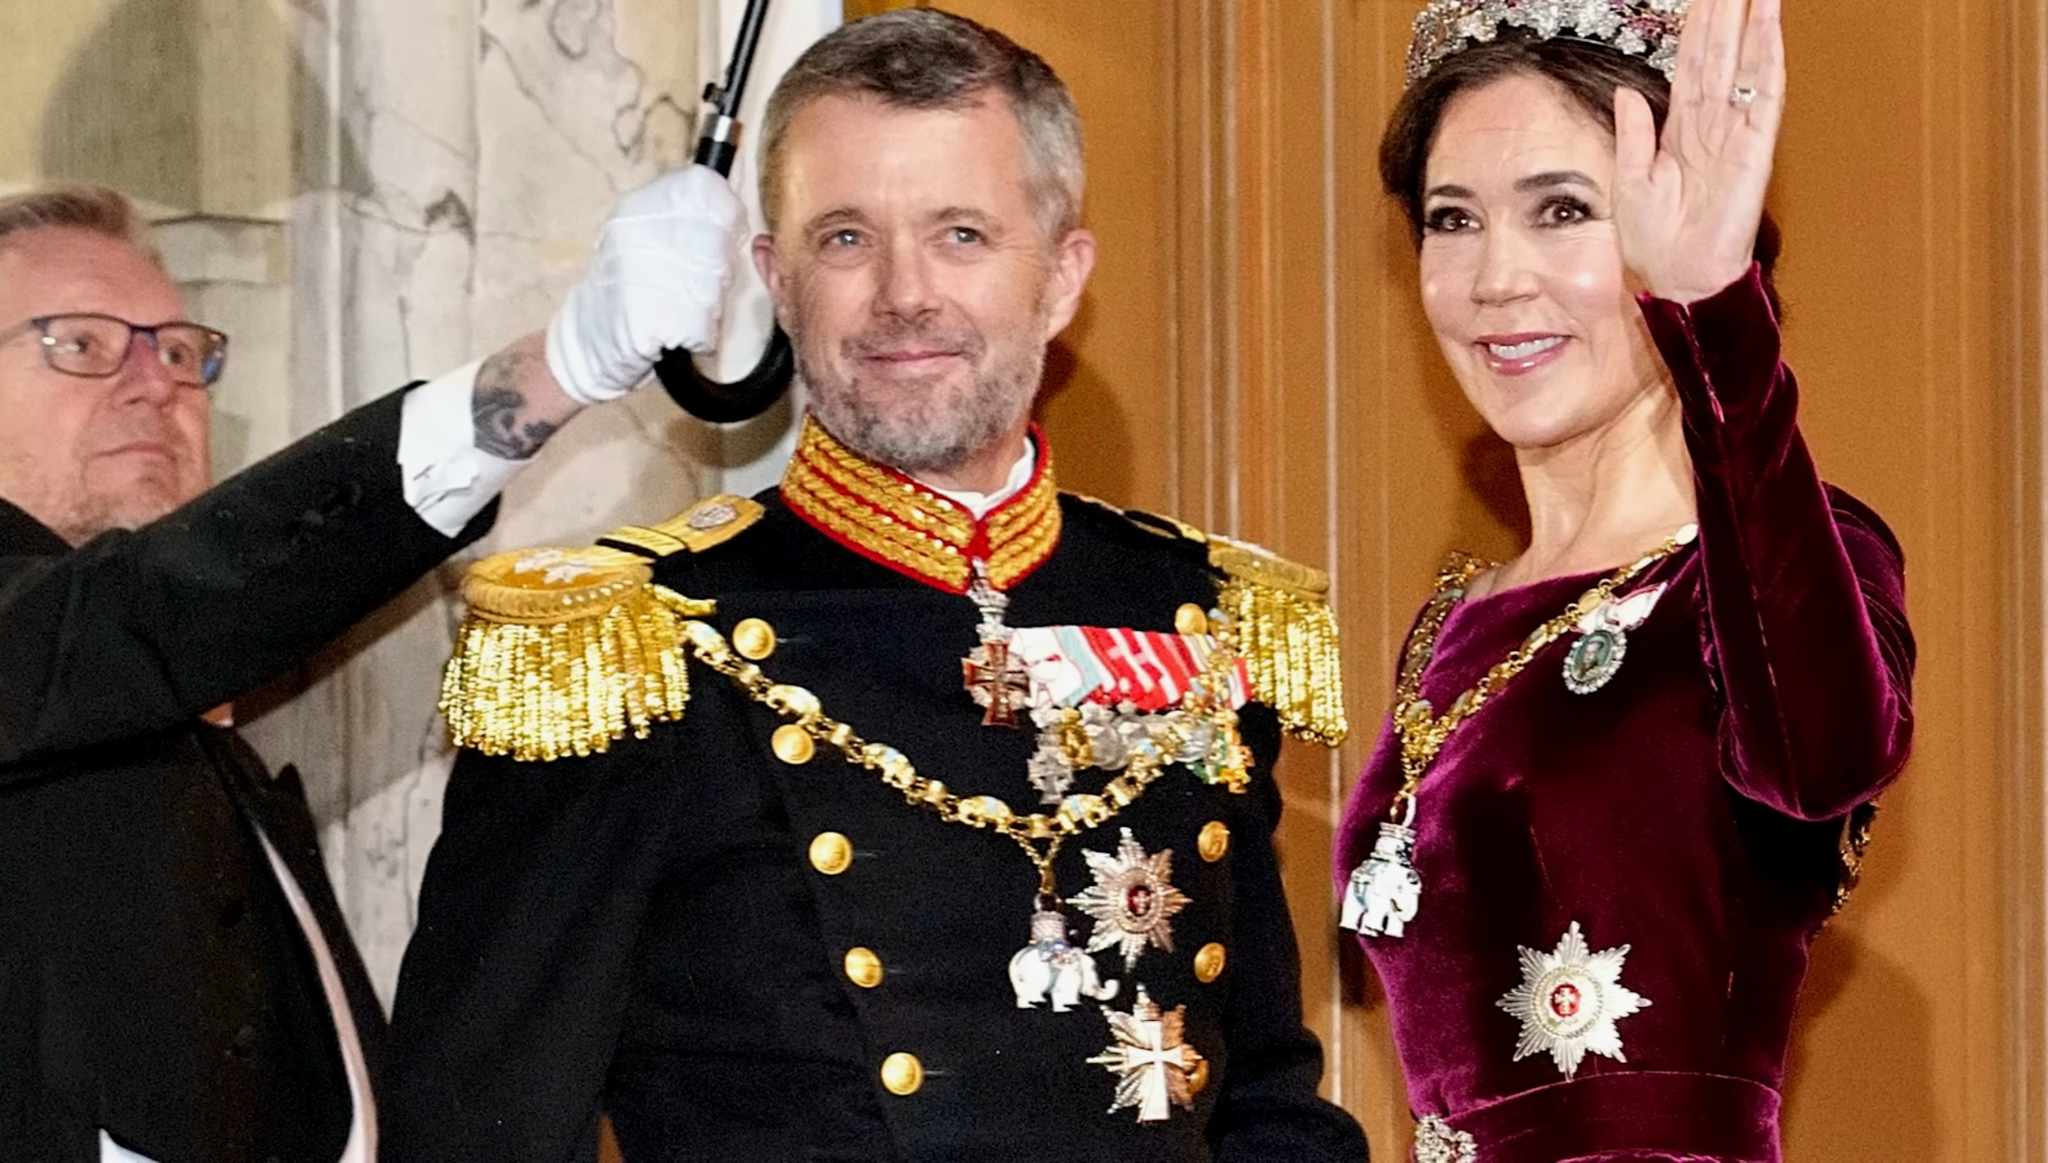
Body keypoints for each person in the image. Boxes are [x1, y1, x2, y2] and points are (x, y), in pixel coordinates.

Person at [389, 9, 1369, 1161]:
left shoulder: (1193, 610)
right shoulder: (622, 653)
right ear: (776, 281)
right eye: (846, 238)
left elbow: (1260, 1098)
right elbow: (475, 1127)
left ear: (1061, 278)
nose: (904, 293)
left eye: (961, 234)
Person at [0, 169, 741, 1162]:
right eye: (82, 344)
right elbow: (145, 610)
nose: (156, 382)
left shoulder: (198, 727)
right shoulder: (86, 643)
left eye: (178, 350)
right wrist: (554, 367)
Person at [1332, 1, 1914, 1159]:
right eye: (1452, 219)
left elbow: (1822, 758)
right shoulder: (1452, 620)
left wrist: (1713, 312)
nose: (1496, 277)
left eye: (1562, 211)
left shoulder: (1783, 565)